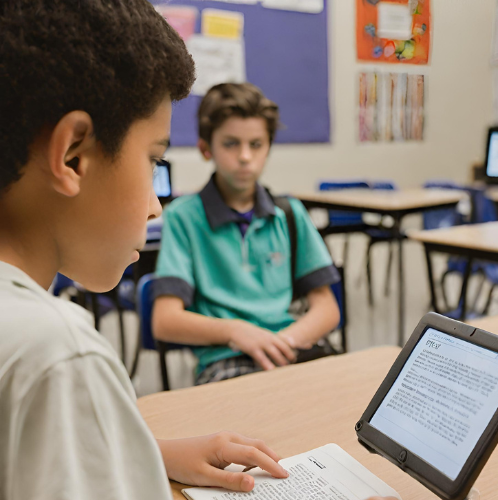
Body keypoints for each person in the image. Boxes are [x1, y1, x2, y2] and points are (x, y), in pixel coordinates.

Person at [0, 1, 291, 498]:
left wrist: (146, 450)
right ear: (72, 156)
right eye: (153, 160)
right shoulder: (57, 352)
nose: (157, 207)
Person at [152, 83, 341, 385]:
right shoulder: (183, 217)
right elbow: (165, 321)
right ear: (205, 148)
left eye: (256, 144)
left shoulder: (289, 213)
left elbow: (327, 309)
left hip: (292, 349)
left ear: (268, 147)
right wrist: (236, 332)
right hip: (226, 360)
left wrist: (283, 343)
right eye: (230, 144)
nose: (244, 157)